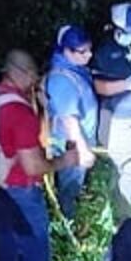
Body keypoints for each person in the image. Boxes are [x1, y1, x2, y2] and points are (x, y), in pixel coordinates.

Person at [0, 49, 80, 261]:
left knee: (8, 251)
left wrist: (40, 106)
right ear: (23, 73)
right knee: (34, 259)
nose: (37, 80)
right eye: (33, 75)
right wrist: (65, 160)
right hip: (22, 193)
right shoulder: (20, 112)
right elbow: (35, 166)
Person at [93, 2, 131, 224]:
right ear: (118, 29)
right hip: (118, 120)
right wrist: (128, 84)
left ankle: (118, 207)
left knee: (125, 170)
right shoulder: (106, 52)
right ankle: (122, 221)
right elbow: (99, 86)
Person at [45, 25, 99, 219]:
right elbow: (69, 119)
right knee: (70, 188)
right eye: (82, 52)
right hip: (71, 146)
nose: (89, 55)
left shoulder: (75, 70)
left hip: (77, 143)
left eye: (90, 49)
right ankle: (67, 227)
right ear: (66, 51)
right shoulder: (61, 79)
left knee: (74, 185)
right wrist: (82, 150)